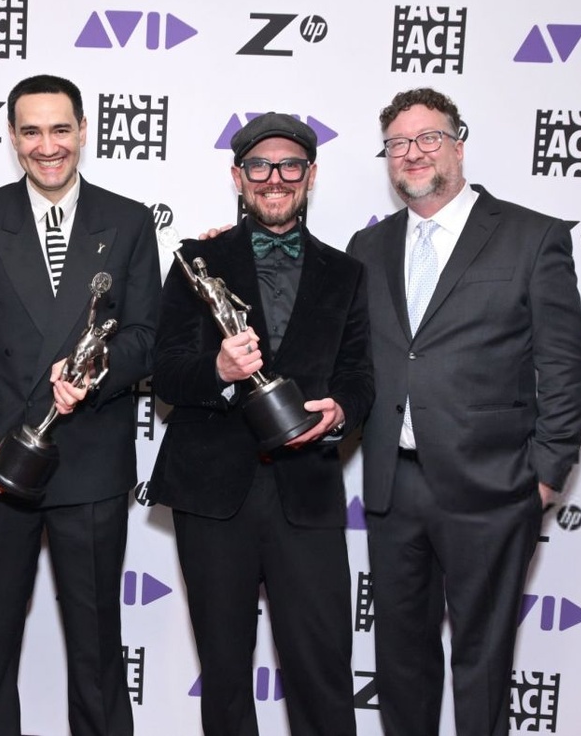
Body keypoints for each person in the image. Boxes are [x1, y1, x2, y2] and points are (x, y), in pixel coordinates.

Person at [346, 88, 581, 736]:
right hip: (393, 485)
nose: (413, 152)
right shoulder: (366, 247)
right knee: (400, 662)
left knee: (482, 663)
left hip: (493, 487)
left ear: (458, 144)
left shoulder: (531, 237)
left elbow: (566, 366)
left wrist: (545, 475)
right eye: (398, 143)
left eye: (428, 137)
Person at [0, 74, 160, 736]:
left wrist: (94, 372)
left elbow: (146, 337)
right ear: (12, 137)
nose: (47, 145)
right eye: (31, 131)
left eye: (60, 129)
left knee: (96, 644)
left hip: (89, 459)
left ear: (83, 131)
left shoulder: (128, 220)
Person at [149, 112, 372, 736]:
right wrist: (219, 369)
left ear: (310, 175)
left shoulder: (347, 273)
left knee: (323, 668)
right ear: (238, 177)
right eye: (259, 166)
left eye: (290, 165)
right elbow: (165, 373)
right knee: (224, 673)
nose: (275, 178)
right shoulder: (195, 260)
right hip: (213, 493)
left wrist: (340, 411)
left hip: (307, 491)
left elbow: (359, 375)